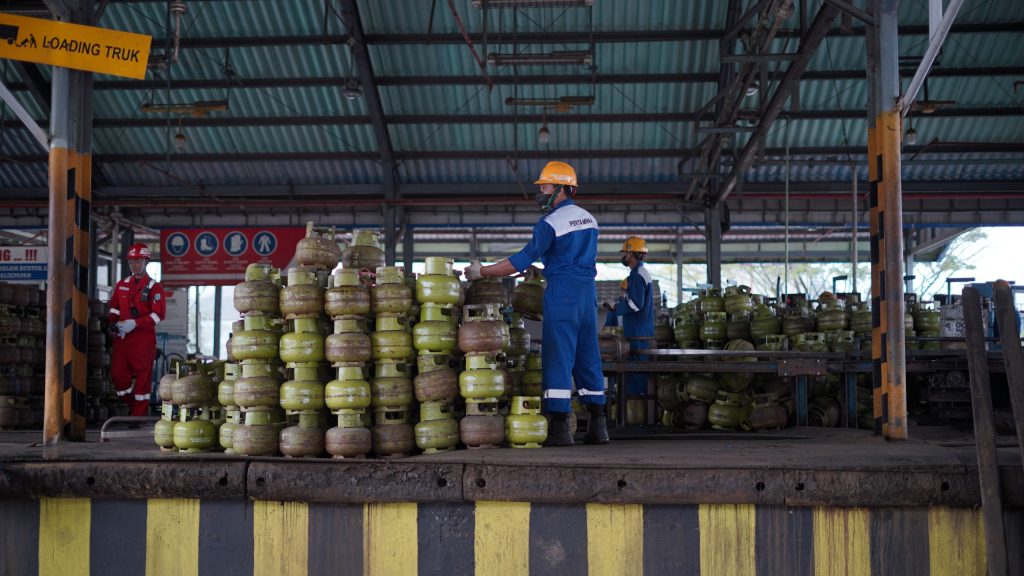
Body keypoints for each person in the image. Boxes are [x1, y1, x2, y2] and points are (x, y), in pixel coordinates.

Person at [465, 161, 608, 446]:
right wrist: (544, 269)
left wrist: (482, 271)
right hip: (586, 295)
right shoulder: (589, 219)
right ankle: (599, 425)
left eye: (545, 186)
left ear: (562, 188)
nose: (541, 192)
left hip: (562, 295)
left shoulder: (550, 223)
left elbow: (519, 260)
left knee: (558, 356)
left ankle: (560, 429)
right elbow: (571, 259)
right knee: (588, 357)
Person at [107, 242, 166, 416]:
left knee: (142, 380)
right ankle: (132, 405)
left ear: (146, 262)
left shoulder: (155, 288)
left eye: (138, 261)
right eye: (131, 261)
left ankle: (138, 416)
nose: (134, 265)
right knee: (118, 376)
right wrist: (112, 323)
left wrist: (135, 323)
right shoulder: (122, 285)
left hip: (143, 342)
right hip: (123, 340)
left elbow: (158, 315)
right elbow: (114, 309)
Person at [614, 236, 654, 403]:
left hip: (639, 335)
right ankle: (634, 409)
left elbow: (636, 304)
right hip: (637, 332)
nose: (624, 256)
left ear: (632, 254)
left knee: (637, 375)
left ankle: (635, 411)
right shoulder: (637, 274)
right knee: (635, 374)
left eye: (626, 252)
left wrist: (617, 308)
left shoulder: (638, 275)